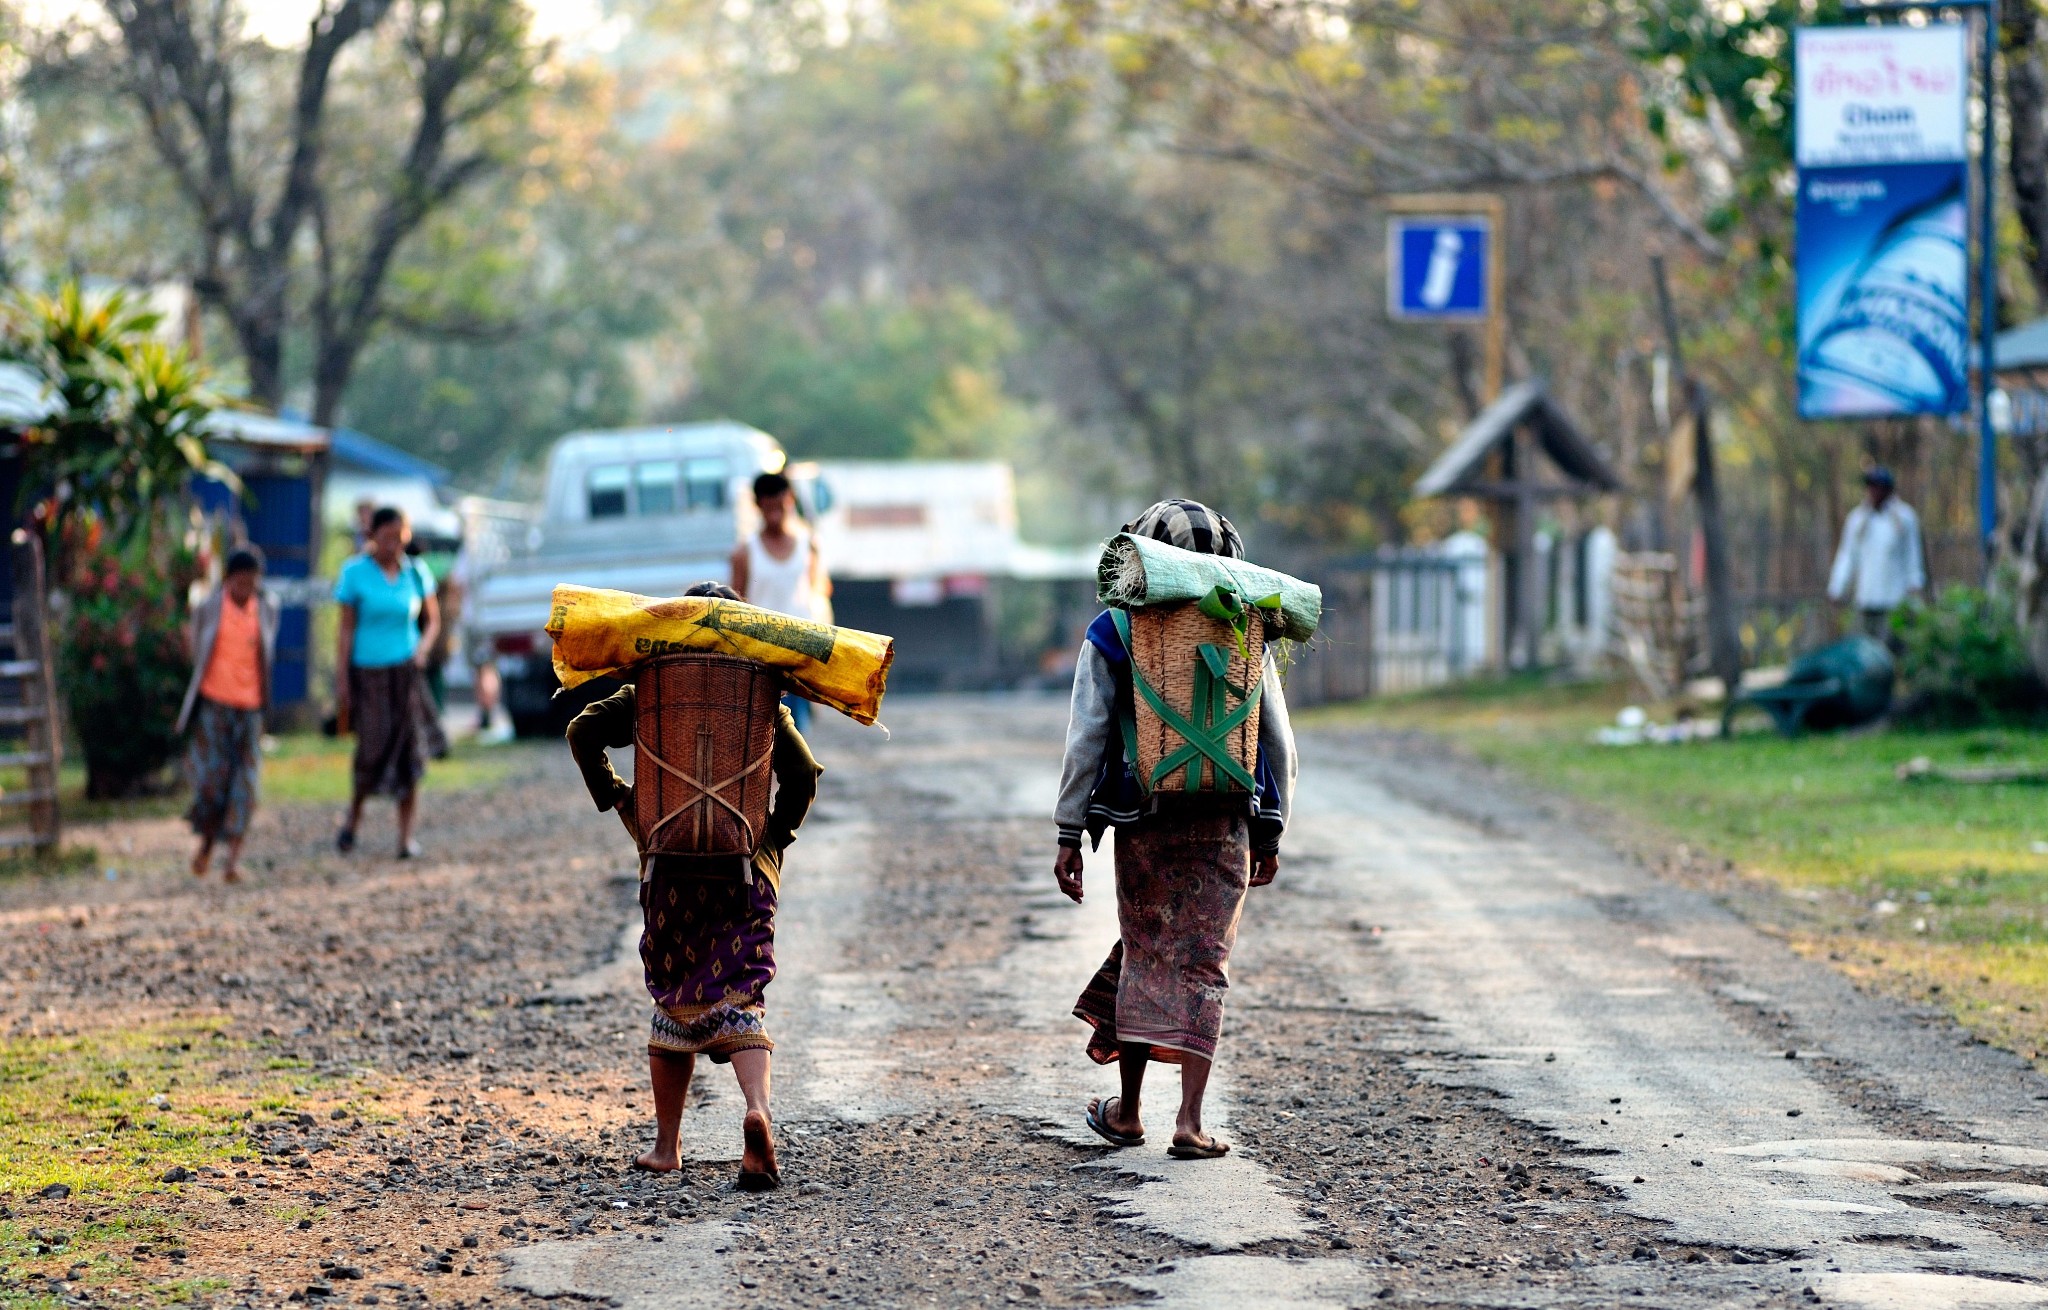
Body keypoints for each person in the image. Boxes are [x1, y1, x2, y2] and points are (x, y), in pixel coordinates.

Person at [1055, 498, 1297, 1161]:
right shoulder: (1245, 623)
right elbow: (1276, 741)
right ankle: (1189, 1122)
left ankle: (1130, 1112)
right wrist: (1272, 830)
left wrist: (1067, 832)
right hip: (1225, 819)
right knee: (1203, 963)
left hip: (1143, 818)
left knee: (1146, 950)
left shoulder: (1114, 629)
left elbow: (1087, 737)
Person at [565, 582, 822, 1190]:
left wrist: (625, 805)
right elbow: (804, 774)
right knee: (739, 994)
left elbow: (582, 731)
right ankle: (757, 1111)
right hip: (742, 869)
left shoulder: (650, 686)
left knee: (673, 997)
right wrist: (771, 840)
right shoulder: (761, 693)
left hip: (667, 867)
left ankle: (666, 1147)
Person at [334, 506, 441, 858]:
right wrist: (342, 679)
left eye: (400, 538)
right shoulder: (355, 573)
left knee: (411, 751)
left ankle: (405, 838)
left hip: (406, 674)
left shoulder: (416, 573)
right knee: (371, 749)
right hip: (369, 675)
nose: (393, 545)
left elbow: (432, 621)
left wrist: (423, 649)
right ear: (372, 536)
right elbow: (346, 629)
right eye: (386, 537)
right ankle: (352, 821)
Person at [177, 547, 280, 883]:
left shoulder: (266, 609)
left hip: (250, 709)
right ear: (228, 580)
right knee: (212, 784)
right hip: (215, 706)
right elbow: (196, 652)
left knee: (246, 784)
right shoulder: (209, 608)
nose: (246, 588)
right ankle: (207, 846)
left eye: (252, 582)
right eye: (240, 581)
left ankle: (232, 861)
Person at [730, 471, 829, 730]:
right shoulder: (744, 552)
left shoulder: (809, 546)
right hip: (761, 659)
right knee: (762, 734)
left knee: (797, 736)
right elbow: (734, 605)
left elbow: (819, 593)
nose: (775, 512)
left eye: (780, 505)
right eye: (768, 506)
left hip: (800, 656)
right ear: (758, 506)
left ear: (791, 501)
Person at [1827, 466, 1926, 642]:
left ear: (1887, 489)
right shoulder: (1857, 519)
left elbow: (1913, 558)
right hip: (1866, 601)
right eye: (1870, 486)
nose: (1872, 491)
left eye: (1877, 486)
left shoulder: (1904, 518)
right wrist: (1837, 588)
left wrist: (1915, 592)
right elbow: (1847, 557)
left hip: (1894, 603)